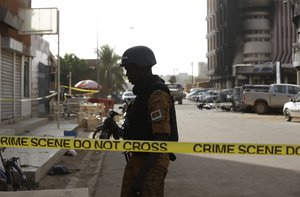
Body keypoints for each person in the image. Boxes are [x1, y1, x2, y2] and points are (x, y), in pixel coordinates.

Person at [118, 45, 178, 197]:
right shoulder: (143, 93)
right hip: (139, 159)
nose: (127, 74)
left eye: (129, 69)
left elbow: (161, 138)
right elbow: (138, 129)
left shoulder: (157, 94)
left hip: (152, 163)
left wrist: (142, 177)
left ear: (141, 68)